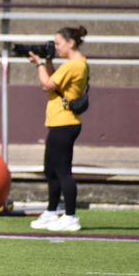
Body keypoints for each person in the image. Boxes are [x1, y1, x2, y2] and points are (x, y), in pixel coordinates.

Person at [27, 26, 89, 232]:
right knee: (51, 171)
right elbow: (55, 83)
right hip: (57, 123)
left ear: (71, 43)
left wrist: (38, 64)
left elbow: (46, 84)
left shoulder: (74, 65)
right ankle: (52, 212)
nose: (55, 47)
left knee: (63, 172)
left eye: (58, 44)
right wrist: (48, 61)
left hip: (65, 123)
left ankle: (71, 216)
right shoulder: (72, 64)